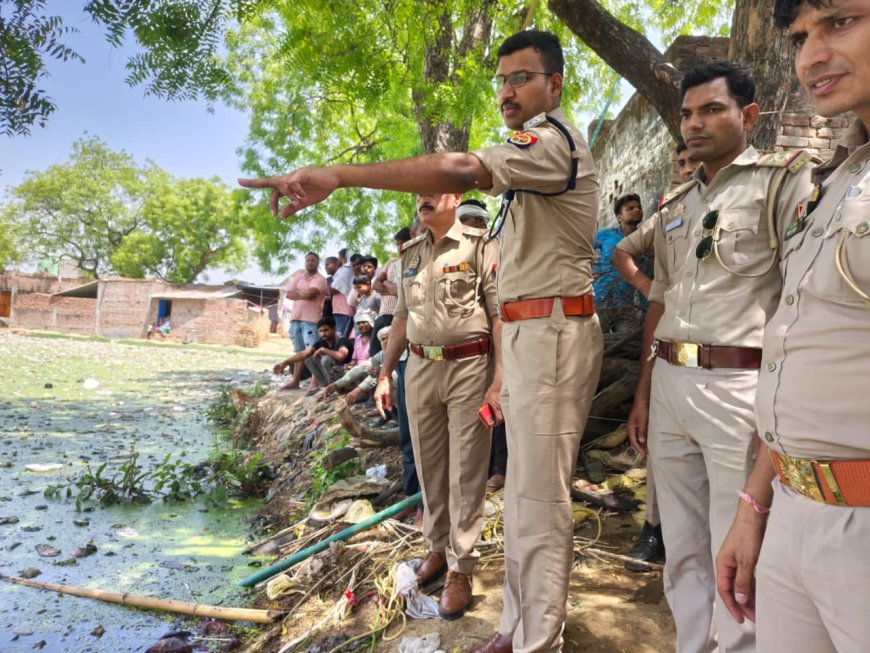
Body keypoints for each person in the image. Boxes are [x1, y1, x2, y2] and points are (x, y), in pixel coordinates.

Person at [239, 30, 602, 652]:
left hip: (553, 332)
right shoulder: (520, 170)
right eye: (502, 79)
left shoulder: (552, 141)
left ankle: (536, 639)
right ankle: (517, 627)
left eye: (521, 78)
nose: (507, 91)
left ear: (555, 85)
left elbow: (462, 167)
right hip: (525, 337)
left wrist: (340, 175)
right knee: (519, 496)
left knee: (537, 502)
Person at [626, 62, 814, 653]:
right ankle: (692, 644)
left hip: (739, 385)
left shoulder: (784, 182)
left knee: (737, 546)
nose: (694, 124)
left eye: (711, 109)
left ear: (748, 116)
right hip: (673, 384)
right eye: (687, 114)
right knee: (681, 544)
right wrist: (644, 390)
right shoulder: (679, 201)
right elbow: (662, 299)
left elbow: (801, 300)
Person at [714, 2, 870, 651]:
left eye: (839, 21)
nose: (808, 56)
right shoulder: (836, 179)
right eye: (802, 36)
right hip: (793, 510)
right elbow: (803, 354)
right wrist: (755, 504)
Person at [375, 191, 502, 620]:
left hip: (469, 366)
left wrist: (499, 381)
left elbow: (498, 313)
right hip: (419, 368)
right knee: (430, 468)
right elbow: (399, 317)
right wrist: (384, 374)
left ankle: (461, 567)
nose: (422, 198)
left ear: (454, 197)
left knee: (467, 469)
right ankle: (436, 549)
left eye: (432, 191)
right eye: (418, 193)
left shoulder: (480, 244)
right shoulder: (410, 253)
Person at [612, 142, 697, 572]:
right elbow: (655, 306)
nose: (686, 168)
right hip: (671, 360)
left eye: (690, 162)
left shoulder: (765, 195)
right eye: (679, 162)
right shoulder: (671, 216)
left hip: (733, 367)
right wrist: (641, 395)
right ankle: (655, 529)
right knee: (662, 456)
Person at [593, 194, 646, 334]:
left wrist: (646, 311)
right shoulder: (606, 235)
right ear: (619, 217)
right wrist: (588, 270)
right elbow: (582, 249)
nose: (637, 210)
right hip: (599, 301)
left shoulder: (645, 242)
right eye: (630, 208)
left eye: (639, 207)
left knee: (627, 347)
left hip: (625, 305)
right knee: (595, 343)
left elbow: (647, 276)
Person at [273, 316, 352, 395]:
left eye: (326, 330)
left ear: (334, 329)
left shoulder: (342, 340)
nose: (323, 333)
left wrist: (323, 350)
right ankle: (325, 385)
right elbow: (303, 354)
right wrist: (285, 362)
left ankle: (337, 388)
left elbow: (341, 356)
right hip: (331, 376)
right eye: (320, 331)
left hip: (343, 377)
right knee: (309, 358)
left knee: (326, 359)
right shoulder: (322, 342)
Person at [284, 252, 328, 389]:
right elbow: (288, 294)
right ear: (305, 262)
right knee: (299, 352)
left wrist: (297, 294)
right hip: (295, 319)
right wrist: (302, 295)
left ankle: (314, 382)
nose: (310, 262)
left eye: (313, 260)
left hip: (311, 320)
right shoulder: (299, 277)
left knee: (312, 352)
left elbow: (311, 294)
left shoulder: (320, 279)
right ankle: (295, 381)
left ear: (317, 263)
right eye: (308, 260)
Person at [371, 228, 412, 356]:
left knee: (397, 356)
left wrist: (386, 283)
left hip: (399, 315)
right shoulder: (391, 262)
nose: (399, 247)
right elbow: (375, 285)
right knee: (375, 355)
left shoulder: (413, 262)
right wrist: (394, 290)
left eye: (402, 243)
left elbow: (403, 292)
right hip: (383, 315)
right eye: (397, 244)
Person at [330, 249, 355, 336]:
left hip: (344, 311)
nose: (338, 260)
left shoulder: (346, 269)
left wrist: (330, 289)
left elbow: (334, 289)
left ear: (342, 258)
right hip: (340, 311)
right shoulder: (345, 269)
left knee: (341, 339)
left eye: (339, 257)